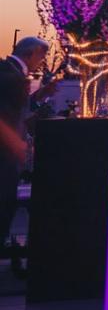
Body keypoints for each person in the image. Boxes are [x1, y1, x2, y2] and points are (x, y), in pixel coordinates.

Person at [1, 37, 48, 244]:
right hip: (5, 153)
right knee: (4, 203)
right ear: (30, 54)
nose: (41, 63)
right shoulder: (13, 76)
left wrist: (38, 97)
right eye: (41, 57)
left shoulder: (8, 71)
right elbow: (17, 114)